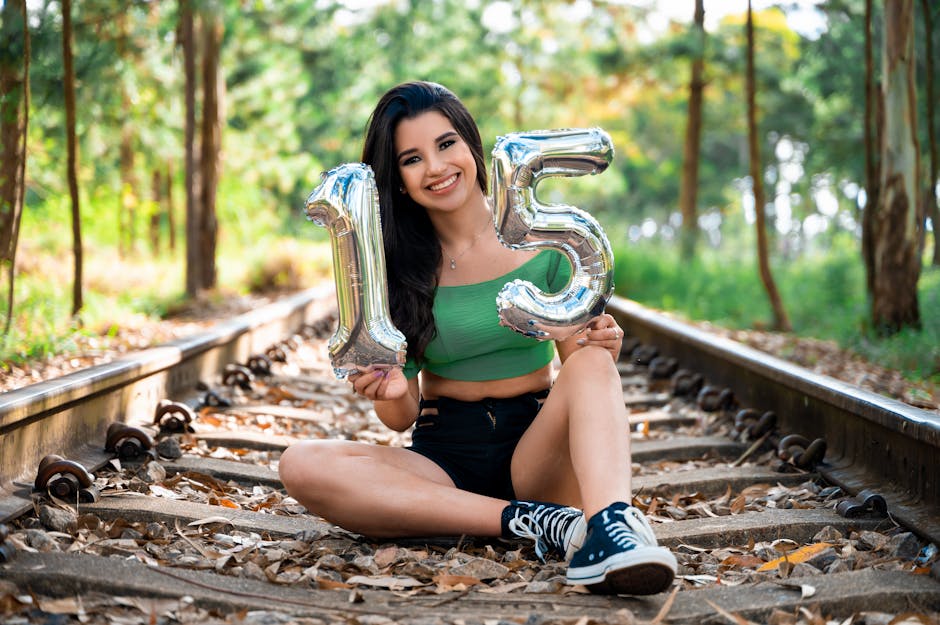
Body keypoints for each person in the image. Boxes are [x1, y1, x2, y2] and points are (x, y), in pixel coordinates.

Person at [279, 81, 677, 595]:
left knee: (594, 367)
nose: (437, 168)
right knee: (301, 464)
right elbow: (401, 419)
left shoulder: (547, 239)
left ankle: (610, 530)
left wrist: (600, 342)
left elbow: (578, 363)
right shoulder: (392, 270)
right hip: (444, 458)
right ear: (398, 179)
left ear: (470, 144)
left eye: (446, 145)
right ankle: (536, 523)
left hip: (537, 451)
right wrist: (394, 392)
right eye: (412, 158)